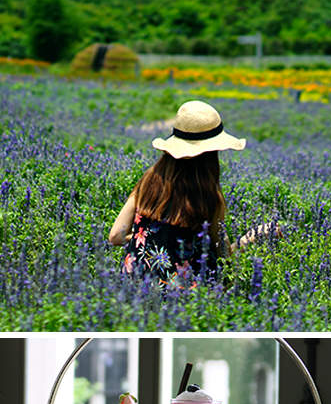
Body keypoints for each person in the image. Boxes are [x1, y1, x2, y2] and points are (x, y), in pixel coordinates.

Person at [108, 100, 260, 284]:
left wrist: (153, 238)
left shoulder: (148, 181)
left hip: (132, 291)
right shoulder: (208, 198)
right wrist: (251, 238)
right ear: (211, 154)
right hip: (182, 301)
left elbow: (115, 236)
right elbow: (224, 257)